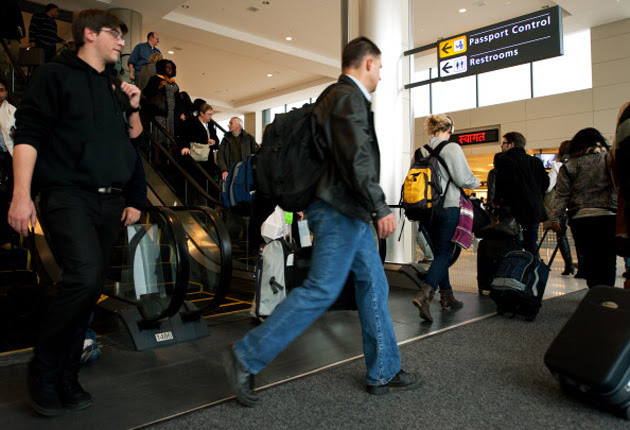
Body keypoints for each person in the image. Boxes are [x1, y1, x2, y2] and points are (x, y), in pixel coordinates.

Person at [225, 36, 420, 407]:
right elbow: (356, 158)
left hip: (346, 209)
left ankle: (384, 370)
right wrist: (379, 206)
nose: (380, 74)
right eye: (379, 66)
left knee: (374, 284)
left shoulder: (336, 98)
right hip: (339, 208)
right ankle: (245, 355)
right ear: (366, 63)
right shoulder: (347, 98)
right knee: (322, 289)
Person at [8, 9, 146, 416]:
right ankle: (44, 371)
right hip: (66, 194)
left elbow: (132, 138)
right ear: (89, 34)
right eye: (115, 34)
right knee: (82, 278)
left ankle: (67, 376)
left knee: (87, 290)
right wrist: (21, 194)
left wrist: (134, 105)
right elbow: (28, 135)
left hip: (109, 201)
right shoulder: (54, 75)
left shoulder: (112, 86)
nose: (122, 42)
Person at [411, 114, 480, 322]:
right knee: (445, 254)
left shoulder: (420, 151)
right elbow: (463, 178)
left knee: (440, 252)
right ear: (450, 128)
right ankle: (426, 293)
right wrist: (476, 182)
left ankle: (447, 297)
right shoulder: (452, 148)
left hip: (425, 209)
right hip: (448, 206)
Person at [548, 128, 617, 288]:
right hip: (607, 216)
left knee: (590, 259)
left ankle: (594, 294)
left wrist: (554, 218)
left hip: (581, 219)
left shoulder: (569, 165)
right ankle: (607, 297)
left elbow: (562, 196)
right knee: (608, 260)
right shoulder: (607, 160)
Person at [494, 131, 549, 255]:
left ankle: (515, 270)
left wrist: (496, 203)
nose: (501, 146)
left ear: (511, 144)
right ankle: (534, 269)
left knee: (514, 243)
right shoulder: (536, 162)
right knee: (531, 243)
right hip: (534, 210)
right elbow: (546, 184)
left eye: (504, 143)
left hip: (513, 210)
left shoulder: (504, 160)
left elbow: (501, 185)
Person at [545, 140, 575, 276]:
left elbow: (548, 186)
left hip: (561, 207)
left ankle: (569, 266)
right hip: (577, 206)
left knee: (561, 236)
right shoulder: (578, 163)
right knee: (578, 236)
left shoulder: (558, 165)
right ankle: (584, 267)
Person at [142, 59, 179, 149]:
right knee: (159, 134)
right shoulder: (155, 79)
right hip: (160, 111)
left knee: (169, 135)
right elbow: (146, 92)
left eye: (171, 67)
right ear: (162, 68)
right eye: (167, 67)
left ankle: (167, 158)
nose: (170, 69)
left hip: (171, 113)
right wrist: (159, 87)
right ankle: (156, 157)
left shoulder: (172, 82)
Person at [180, 102, 219, 183]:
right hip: (196, 157)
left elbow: (216, 139)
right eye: (208, 114)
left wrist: (214, 142)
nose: (210, 117)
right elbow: (185, 136)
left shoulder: (211, 125)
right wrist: (185, 147)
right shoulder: (191, 122)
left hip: (208, 158)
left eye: (211, 114)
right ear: (201, 113)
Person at [217, 117, 258, 182]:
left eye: (231, 123)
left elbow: (256, 154)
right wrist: (224, 170)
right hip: (230, 173)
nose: (228, 125)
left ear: (237, 126)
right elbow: (220, 156)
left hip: (245, 173)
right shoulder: (225, 140)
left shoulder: (249, 138)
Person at [0, 0, 25, 82]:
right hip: (4, 32)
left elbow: (19, 19)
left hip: (13, 33)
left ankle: (10, 71)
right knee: (2, 53)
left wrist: (22, 32)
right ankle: (4, 71)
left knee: (14, 54)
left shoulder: (16, 5)